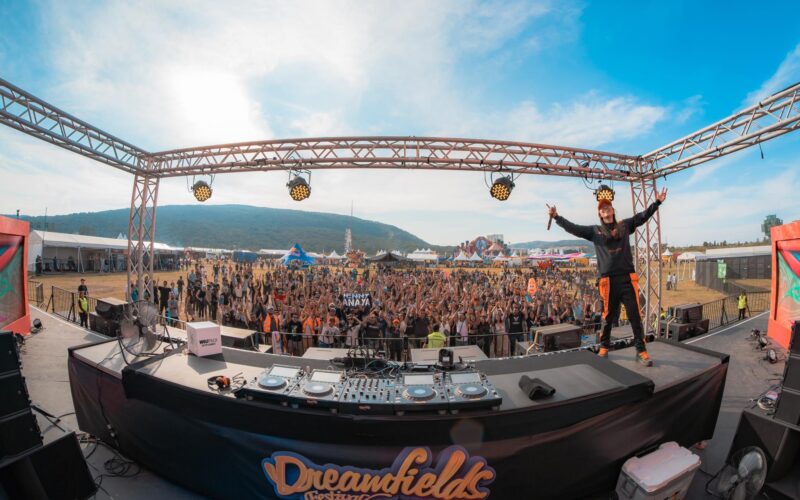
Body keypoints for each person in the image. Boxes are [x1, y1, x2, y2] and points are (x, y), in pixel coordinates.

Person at [549, 186, 667, 366]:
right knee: (608, 316)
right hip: (608, 282)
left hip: (627, 278)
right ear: (600, 214)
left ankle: (641, 350)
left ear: (612, 210)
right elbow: (573, 228)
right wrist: (557, 217)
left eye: (607, 207)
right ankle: (604, 346)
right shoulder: (594, 231)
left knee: (635, 316)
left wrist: (657, 202)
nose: (605, 209)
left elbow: (642, 217)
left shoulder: (624, 226)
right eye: (602, 208)